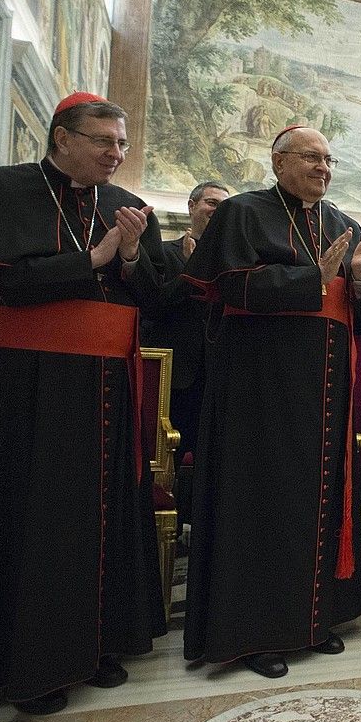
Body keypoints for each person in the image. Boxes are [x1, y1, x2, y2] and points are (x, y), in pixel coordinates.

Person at [0, 92, 166, 715]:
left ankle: (100, 643)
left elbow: (159, 301)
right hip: (30, 384)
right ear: (62, 138)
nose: (117, 154)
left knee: (103, 513)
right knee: (39, 518)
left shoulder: (128, 208)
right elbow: (3, 285)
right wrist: (96, 259)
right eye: (104, 141)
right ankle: (36, 664)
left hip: (108, 385)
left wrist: (131, 257)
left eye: (122, 143)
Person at [182, 125, 361, 680]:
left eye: (328, 159)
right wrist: (310, 279)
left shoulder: (341, 223)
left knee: (320, 499)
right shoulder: (244, 213)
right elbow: (224, 290)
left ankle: (313, 619)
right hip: (261, 388)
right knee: (263, 501)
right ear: (277, 162)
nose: (323, 167)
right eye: (311, 157)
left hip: (327, 389)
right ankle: (257, 633)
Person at [142, 180, 229, 507]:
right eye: (211, 202)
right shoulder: (163, 252)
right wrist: (192, 272)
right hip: (175, 381)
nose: (216, 210)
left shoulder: (234, 262)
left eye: (224, 206)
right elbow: (153, 305)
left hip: (220, 379)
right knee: (165, 468)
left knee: (216, 471)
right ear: (192, 207)